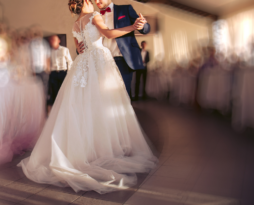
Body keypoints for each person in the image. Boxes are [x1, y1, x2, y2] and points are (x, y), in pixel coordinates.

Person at [18, 0, 157, 194]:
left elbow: (80, 45)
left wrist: (139, 26)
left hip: (89, 64)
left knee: (89, 106)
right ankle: (110, 148)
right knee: (108, 105)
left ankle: (94, 147)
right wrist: (131, 27)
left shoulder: (76, 23)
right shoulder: (94, 16)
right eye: (92, 1)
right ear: (85, 2)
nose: (95, 3)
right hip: (99, 62)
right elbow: (107, 34)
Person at [76, 0, 151, 98]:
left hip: (121, 61)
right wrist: (79, 49)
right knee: (102, 97)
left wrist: (142, 25)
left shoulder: (125, 9)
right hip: (100, 63)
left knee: (123, 97)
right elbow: (86, 39)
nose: (97, 1)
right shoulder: (92, 16)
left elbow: (145, 28)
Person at [47, 35, 73, 113]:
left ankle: (65, 109)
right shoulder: (48, 51)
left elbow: (69, 61)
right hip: (53, 74)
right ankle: (56, 110)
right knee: (55, 92)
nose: (52, 41)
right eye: (51, 40)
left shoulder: (64, 50)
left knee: (64, 91)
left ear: (59, 40)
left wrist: (69, 73)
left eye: (54, 39)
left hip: (63, 72)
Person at [28, 25, 51, 108]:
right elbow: (30, 58)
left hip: (43, 71)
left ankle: (43, 108)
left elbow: (47, 56)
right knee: (34, 91)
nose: (37, 35)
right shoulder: (30, 45)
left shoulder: (44, 44)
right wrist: (31, 71)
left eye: (38, 33)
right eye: (35, 33)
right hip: (34, 71)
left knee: (44, 91)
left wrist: (47, 69)